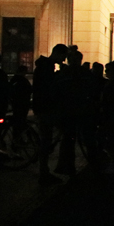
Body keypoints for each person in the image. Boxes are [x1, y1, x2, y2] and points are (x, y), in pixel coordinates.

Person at [32, 43, 68, 185]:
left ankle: (44, 168)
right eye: (63, 57)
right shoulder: (46, 68)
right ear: (58, 54)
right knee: (46, 139)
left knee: (47, 138)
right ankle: (44, 172)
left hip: (43, 107)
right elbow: (49, 88)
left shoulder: (45, 66)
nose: (64, 60)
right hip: (45, 108)